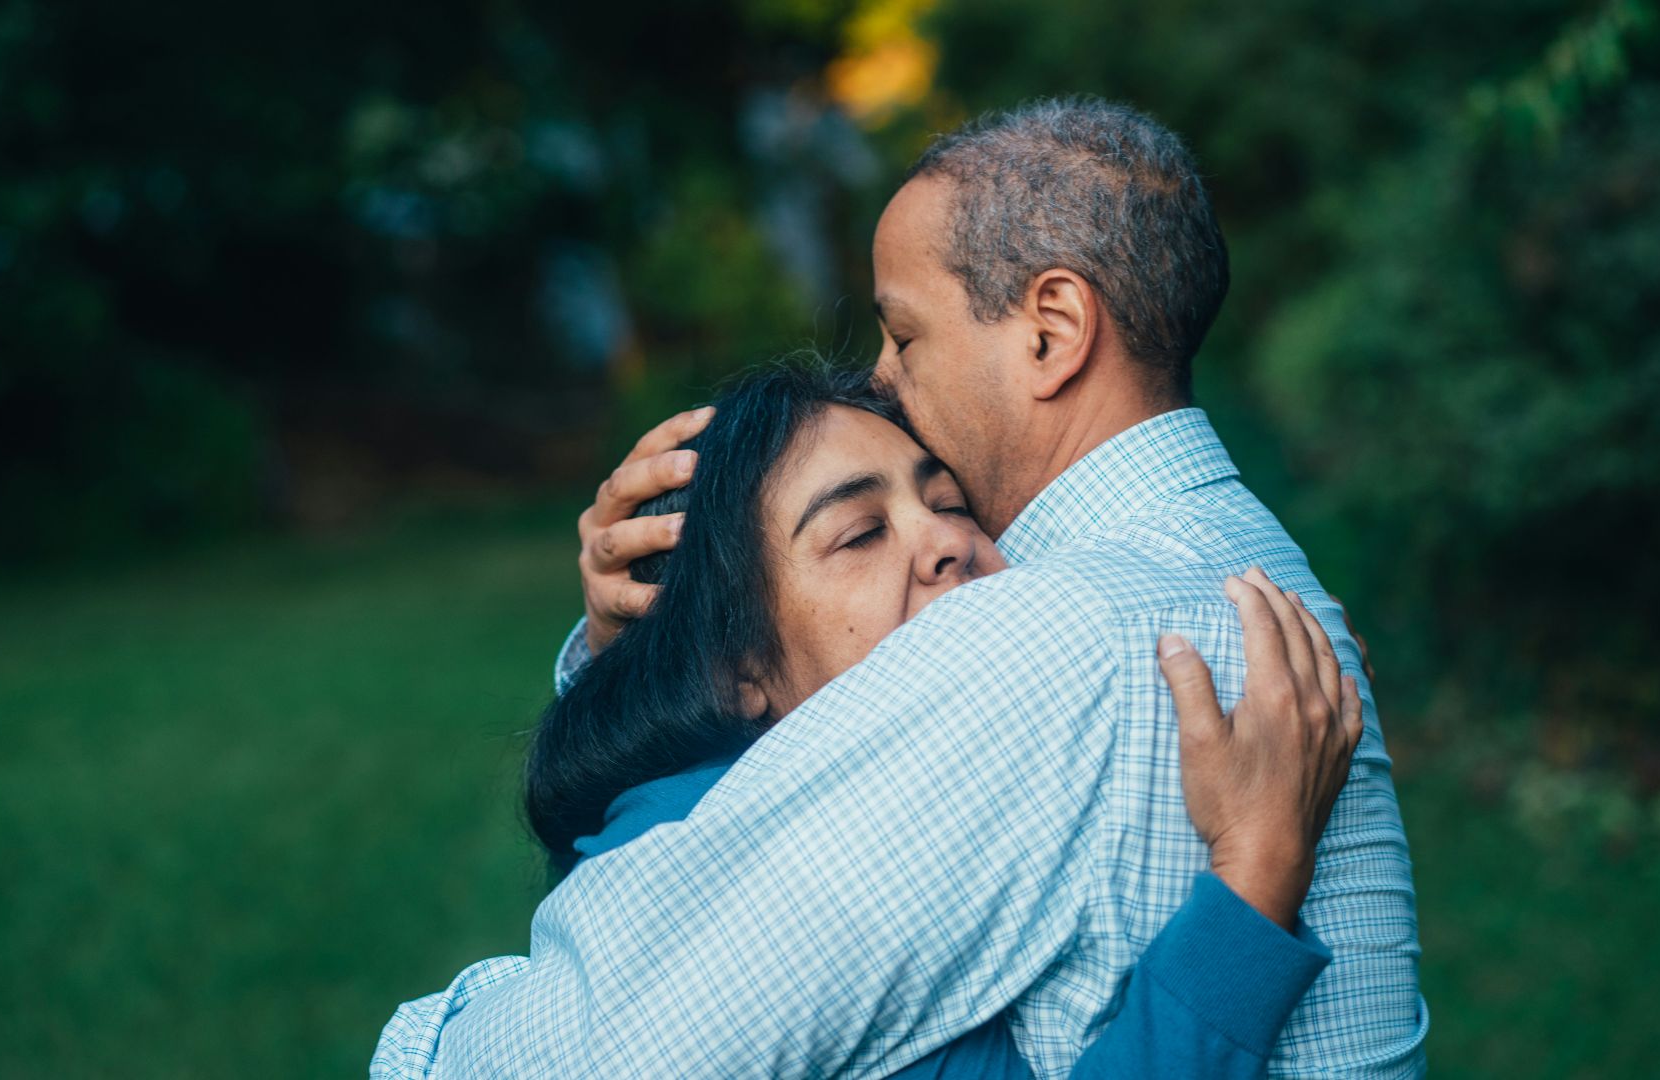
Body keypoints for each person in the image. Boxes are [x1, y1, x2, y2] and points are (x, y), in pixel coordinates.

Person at [402, 97, 1426, 1076]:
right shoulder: (1240, 568)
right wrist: (644, 643)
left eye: (905, 334)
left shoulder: (1049, 636)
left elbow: (586, 1052)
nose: (885, 380)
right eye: (858, 530)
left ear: (1052, 330)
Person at [374, 364, 1363, 1078]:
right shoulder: (810, 911)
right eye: (860, 532)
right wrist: (1256, 873)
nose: (947, 543)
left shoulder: (695, 812)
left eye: (952, 503)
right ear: (738, 666)